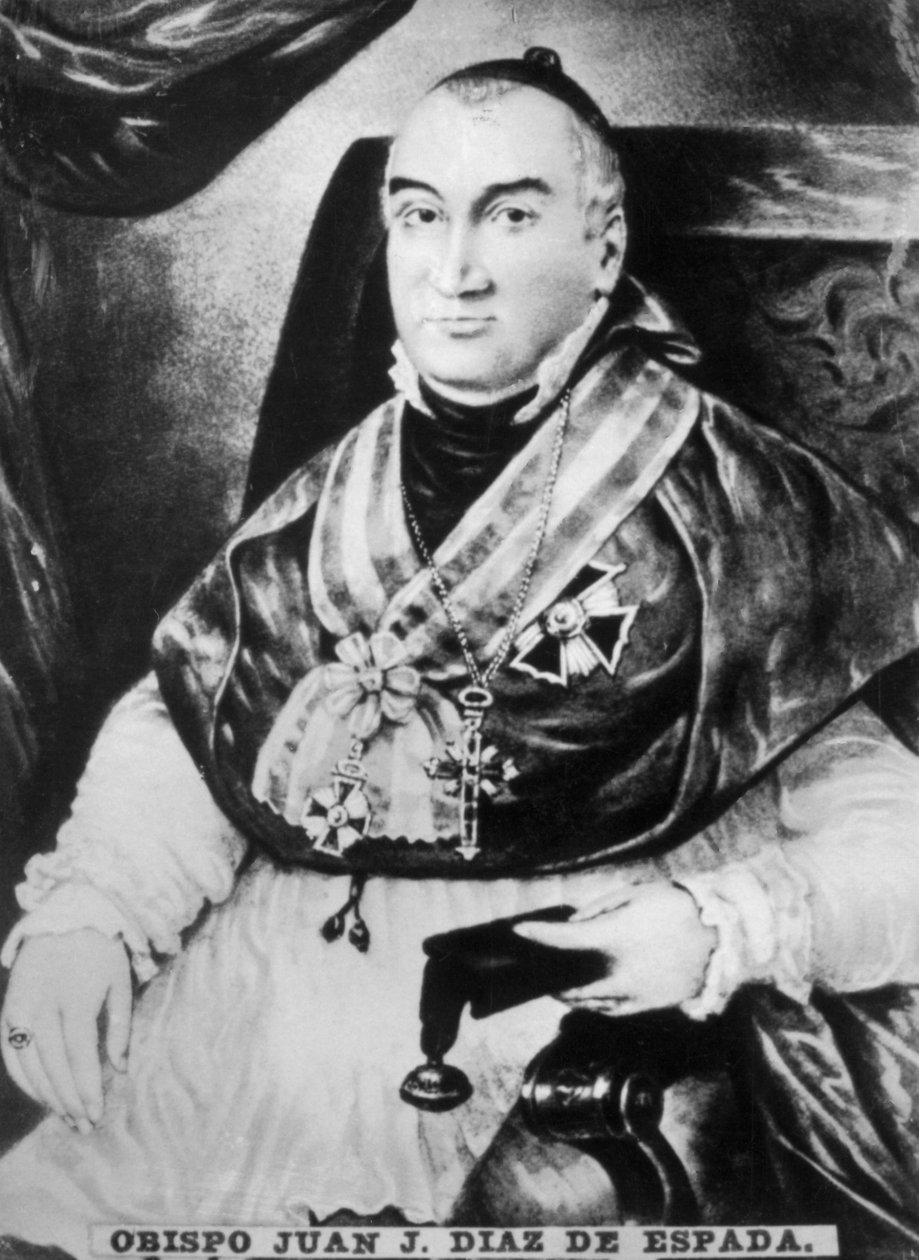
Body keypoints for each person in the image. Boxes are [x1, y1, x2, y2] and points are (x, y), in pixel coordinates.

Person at [2, 46, 919, 1258]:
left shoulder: (740, 511)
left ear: (603, 248)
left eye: (511, 215)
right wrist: (93, 912)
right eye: (421, 216)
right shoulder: (330, 500)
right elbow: (197, 720)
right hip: (250, 1023)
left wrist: (719, 928)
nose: (455, 272)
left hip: (551, 1027)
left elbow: (896, 841)